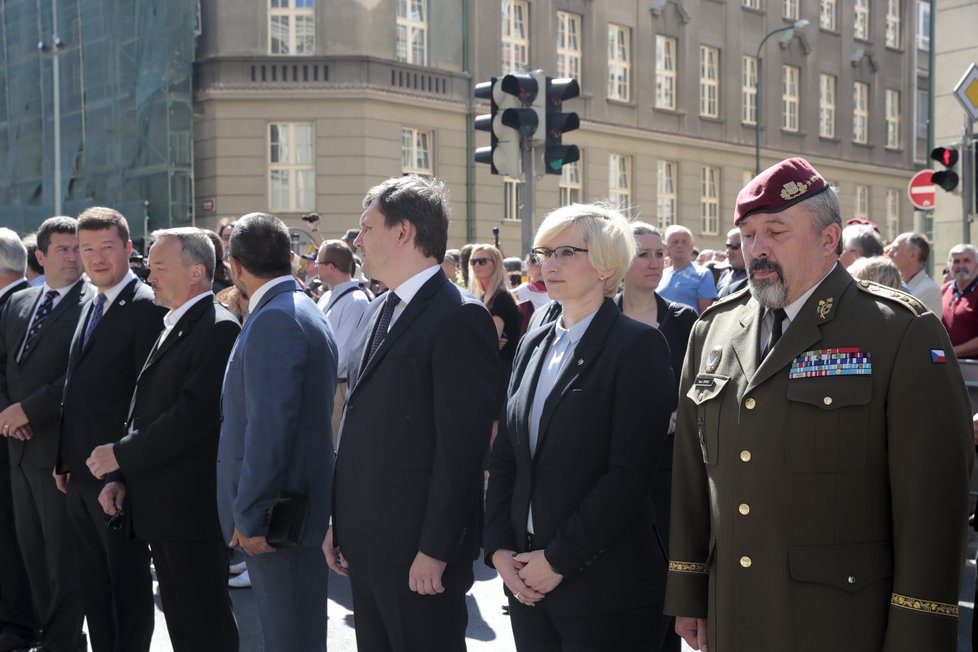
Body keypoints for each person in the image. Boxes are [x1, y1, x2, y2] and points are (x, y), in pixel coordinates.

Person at [665, 157, 974, 651]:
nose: (756, 249)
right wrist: (688, 585)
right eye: (747, 234)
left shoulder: (896, 330)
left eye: (776, 231)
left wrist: (919, 631)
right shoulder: (715, 328)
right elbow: (691, 470)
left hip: (840, 622)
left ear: (829, 240)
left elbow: (932, 502)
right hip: (735, 610)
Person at [484, 203, 676, 650]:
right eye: (542, 252)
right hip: (526, 581)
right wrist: (499, 551)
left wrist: (558, 560)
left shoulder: (638, 346)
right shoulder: (534, 340)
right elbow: (507, 455)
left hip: (604, 589)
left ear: (608, 264)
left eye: (566, 252)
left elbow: (629, 476)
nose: (547, 264)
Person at [324, 175, 499, 652]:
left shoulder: (459, 315)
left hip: (418, 555)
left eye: (366, 227)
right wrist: (339, 520)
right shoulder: (376, 307)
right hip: (365, 542)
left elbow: (461, 450)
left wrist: (435, 550)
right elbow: (357, 426)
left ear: (402, 232)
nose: (357, 241)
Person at [85, 228, 240, 652]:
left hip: (192, 512)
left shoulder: (217, 328)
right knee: (184, 626)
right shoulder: (175, 321)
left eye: (158, 266)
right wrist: (123, 478)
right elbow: (147, 409)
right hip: (165, 508)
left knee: (205, 626)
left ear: (195, 273)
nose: (149, 275)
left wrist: (119, 455)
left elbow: (190, 418)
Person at [217, 212, 336, 652]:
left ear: (234, 266)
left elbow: (268, 431)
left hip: (280, 515)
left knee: (289, 636)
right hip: (293, 507)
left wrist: (249, 516)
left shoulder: (276, 319)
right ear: (290, 257)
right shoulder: (298, 307)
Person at [56, 207, 166, 652]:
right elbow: (76, 386)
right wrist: (63, 458)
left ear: (128, 249)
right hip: (79, 475)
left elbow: (147, 397)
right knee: (94, 588)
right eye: (87, 249)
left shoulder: (145, 306)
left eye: (106, 248)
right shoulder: (88, 300)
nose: (96, 258)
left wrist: (120, 471)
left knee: (125, 589)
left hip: (116, 477)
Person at [0, 217, 91, 652]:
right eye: (64, 250)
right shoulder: (20, 304)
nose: (75, 257)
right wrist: (5, 412)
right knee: (32, 557)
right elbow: (3, 365)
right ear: (40, 256)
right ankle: (48, 637)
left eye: (79, 249)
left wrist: (26, 411)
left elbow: (80, 377)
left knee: (63, 564)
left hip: (57, 455)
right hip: (17, 451)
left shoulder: (93, 304)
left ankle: (66, 643)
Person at [314, 239, 370, 446]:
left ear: (331, 266)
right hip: (323, 384)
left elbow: (344, 356)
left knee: (332, 446)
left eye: (318, 262)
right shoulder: (326, 296)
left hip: (337, 388)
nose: (314, 266)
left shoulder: (356, 301)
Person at [468, 244, 520, 407]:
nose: (476, 265)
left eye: (482, 261)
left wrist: (477, 339)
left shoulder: (501, 298)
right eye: (473, 261)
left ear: (495, 264)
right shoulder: (482, 297)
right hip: (486, 370)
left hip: (500, 373)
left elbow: (489, 339)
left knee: (493, 429)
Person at [657, 225, 717, 313]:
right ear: (667, 247)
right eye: (675, 242)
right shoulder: (661, 274)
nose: (679, 245)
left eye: (684, 242)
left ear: (692, 246)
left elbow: (706, 314)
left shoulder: (703, 274)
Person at [887, 232, 942, 314]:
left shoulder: (930, 290)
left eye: (895, 249)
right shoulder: (895, 283)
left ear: (912, 255)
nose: (890, 254)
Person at [941, 243, 978, 360]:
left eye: (966, 261)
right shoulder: (944, 289)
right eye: (956, 261)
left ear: (976, 264)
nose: (961, 266)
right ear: (949, 265)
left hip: (973, 369)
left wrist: (950, 352)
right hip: (945, 365)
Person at [715, 228, 748, 298]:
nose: (729, 251)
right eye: (727, 246)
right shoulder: (725, 274)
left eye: (734, 246)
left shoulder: (755, 277)